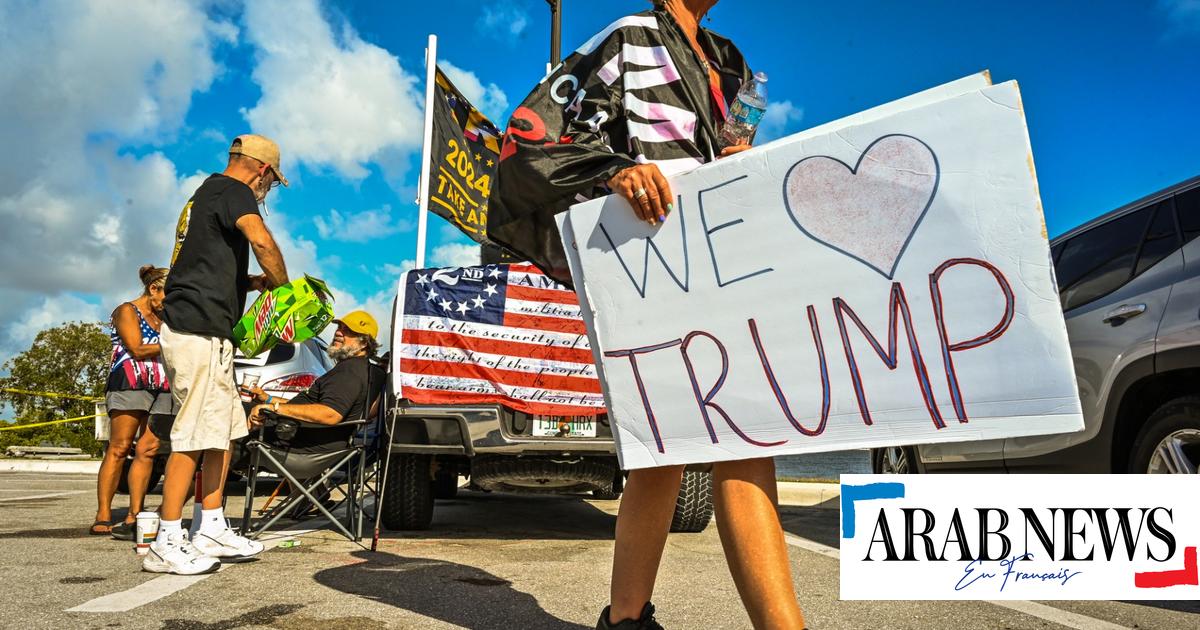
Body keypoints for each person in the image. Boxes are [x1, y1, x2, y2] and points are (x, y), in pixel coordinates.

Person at [489, 2, 806, 629]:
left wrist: (736, 155)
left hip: (720, 253)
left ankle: (625, 620)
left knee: (665, 453)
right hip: (653, 258)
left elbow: (709, 153)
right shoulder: (630, 37)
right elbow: (532, 134)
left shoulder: (727, 59)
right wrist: (617, 170)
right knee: (744, 437)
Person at [146, 134, 290, 575]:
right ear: (262, 171)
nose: (268, 191)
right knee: (192, 434)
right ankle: (166, 540)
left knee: (222, 432)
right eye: (272, 181)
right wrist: (283, 288)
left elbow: (204, 267)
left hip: (209, 329)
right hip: (197, 329)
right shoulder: (234, 191)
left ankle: (209, 524)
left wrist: (251, 284)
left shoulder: (206, 195)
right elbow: (261, 240)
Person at [242, 311, 385, 466]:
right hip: (313, 441)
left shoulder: (349, 372)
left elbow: (330, 414)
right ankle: (311, 490)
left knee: (233, 428)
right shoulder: (362, 369)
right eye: (339, 327)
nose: (338, 332)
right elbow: (310, 407)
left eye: (348, 331)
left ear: (364, 343)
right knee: (245, 411)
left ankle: (214, 488)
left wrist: (274, 408)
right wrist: (267, 398)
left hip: (304, 447)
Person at [93, 265, 173, 537]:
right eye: (168, 295)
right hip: (129, 382)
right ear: (153, 289)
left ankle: (134, 513)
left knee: (148, 449)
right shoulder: (126, 310)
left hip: (162, 386)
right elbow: (137, 349)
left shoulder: (165, 317)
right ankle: (103, 512)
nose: (169, 303)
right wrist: (177, 344)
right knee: (119, 447)